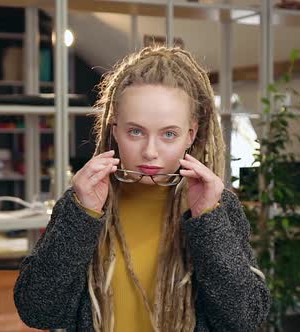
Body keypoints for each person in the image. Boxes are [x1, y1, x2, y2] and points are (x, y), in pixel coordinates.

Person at [14, 46, 271, 332]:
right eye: (135, 131)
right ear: (114, 129)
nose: (150, 152)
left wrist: (207, 219)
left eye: (168, 134)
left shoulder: (217, 206)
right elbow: (37, 311)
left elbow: (245, 320)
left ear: (191, 134)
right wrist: (82, 214)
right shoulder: (82, 203)